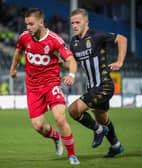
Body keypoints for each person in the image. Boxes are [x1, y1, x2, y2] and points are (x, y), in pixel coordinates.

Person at [9, 8, 80, 165]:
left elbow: (71, 60)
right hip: (33, 87)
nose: (28, 28)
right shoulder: (24, 37)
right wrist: (13, 68)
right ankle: (55, 137)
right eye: (26, 24)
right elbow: (18, 52)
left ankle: (72, 154)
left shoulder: (55, 39)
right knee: (38, 126)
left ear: (41, 22)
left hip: (51, 83)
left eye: (31, 24)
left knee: (60, 118)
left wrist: (71, 75)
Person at [69, 8, 127, 157]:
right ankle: (116, 145)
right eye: (72, 23)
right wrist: (65, 68)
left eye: (77, 22)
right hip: (91, 88)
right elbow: (73, 63)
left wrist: (120, 61)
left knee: (73, 110)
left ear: (86, 22)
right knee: (103, 119)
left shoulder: (96, 36)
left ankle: (99, 130)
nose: (74, 25)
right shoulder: (74, 43)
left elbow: (122, 39)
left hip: (104, 86)